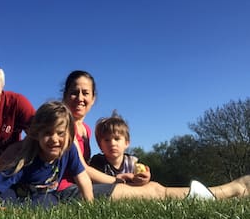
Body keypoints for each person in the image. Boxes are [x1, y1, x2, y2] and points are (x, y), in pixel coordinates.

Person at [61, 70, 250, 200]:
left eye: (85, 93)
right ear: (65, 95)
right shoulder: (64, 124)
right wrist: (121, 181)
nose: (80, 98)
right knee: (154, 191)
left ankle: (220, 193)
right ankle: (227, 191)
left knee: (153, 187)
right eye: (73, 92)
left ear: (93, 98)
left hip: (83, 187)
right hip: (69, 191)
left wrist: (134, 178)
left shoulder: (85, 128)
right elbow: (83, 169)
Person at [0, 101, 94, 208]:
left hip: (42, 197)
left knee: (49, 202)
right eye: (47, 133)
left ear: (70, 135)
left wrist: (89, 207)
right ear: (37, 135)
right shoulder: (26, 159)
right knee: (3, 199)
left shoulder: (69, 151)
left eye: (60, 133)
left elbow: (83, 178)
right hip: (14, 194)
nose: (54, 139)